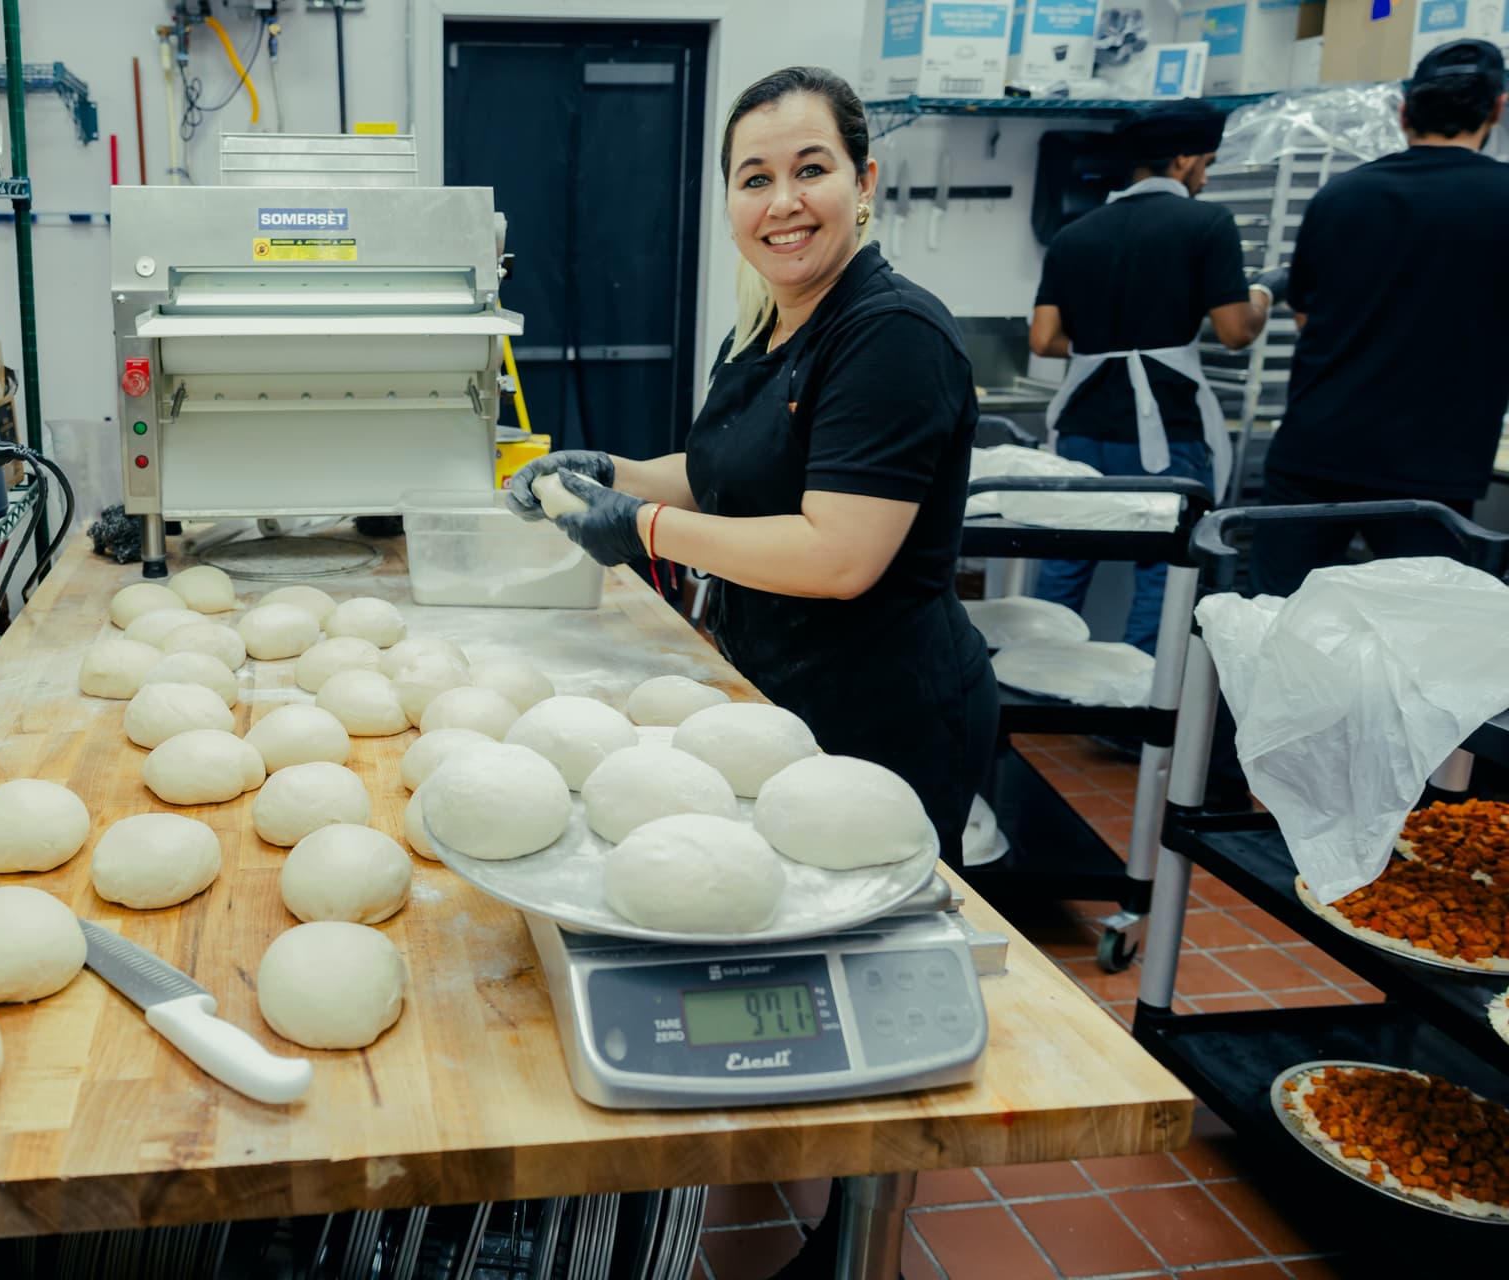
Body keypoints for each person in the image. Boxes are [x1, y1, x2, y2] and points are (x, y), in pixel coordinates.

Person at [507, 65, 997, 875]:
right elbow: (726, 477)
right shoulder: (765, 326)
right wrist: (614, 474)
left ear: (863, 181)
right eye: (755, 179)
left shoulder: (893, 336)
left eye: (811, 170)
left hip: (880, 713)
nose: (782, 203)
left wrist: (640, 528)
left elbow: (838, 555)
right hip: (775, 686)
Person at [1249, 38, 1509, 595]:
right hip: (1432, 471)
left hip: (1315, 454)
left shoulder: (1341, 195)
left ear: (1404, 112)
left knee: (1275, 632)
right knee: (1419, 649)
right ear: (1498, 109)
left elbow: (1304, 317)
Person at [1025, 99, 1273, 652]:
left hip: (1083, 426)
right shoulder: (1207, 223)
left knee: (1065, 556)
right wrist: (1262, 294)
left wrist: (1104, 348)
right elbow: (1235, 330)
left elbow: (1043, 339)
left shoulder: (1075, 233)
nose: (1205, 177)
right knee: (1162, 569)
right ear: (1183, 160)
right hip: (1166, 429)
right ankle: (1139, 709)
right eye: (1205, 163)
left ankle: (1031, 693)